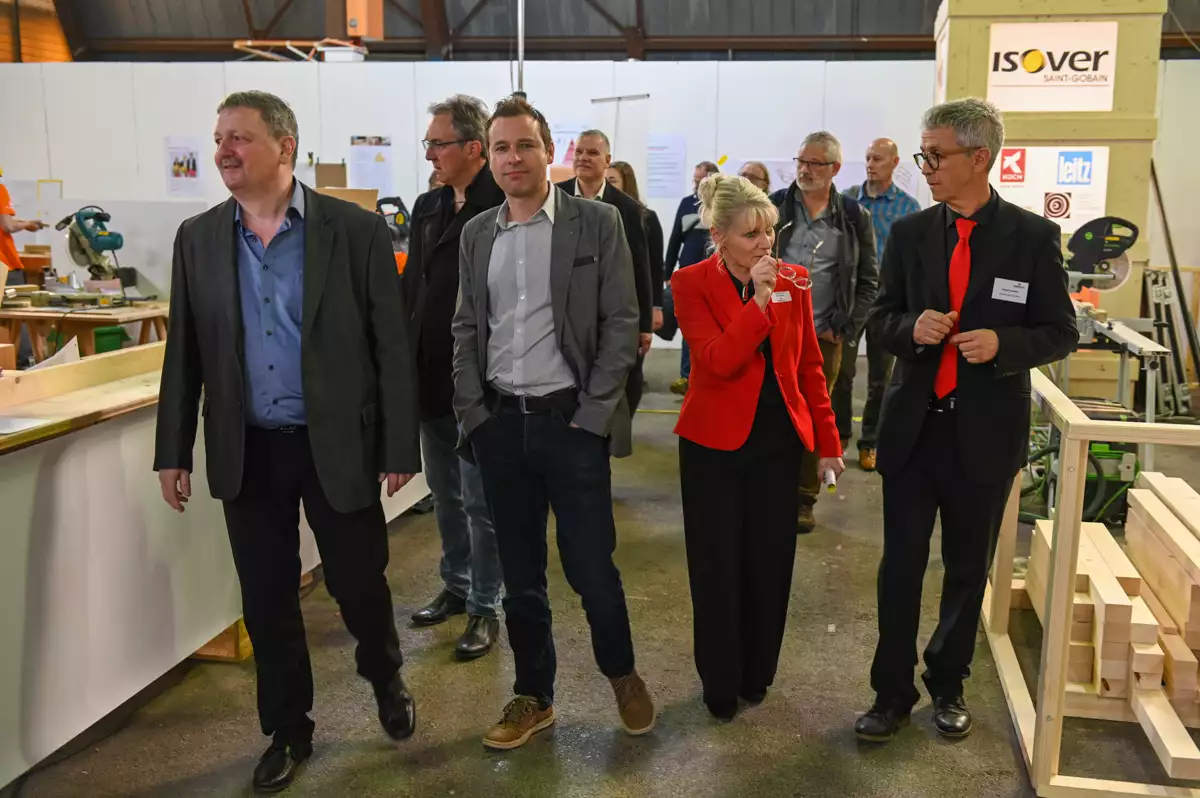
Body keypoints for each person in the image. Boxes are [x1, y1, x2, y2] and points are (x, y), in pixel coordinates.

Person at [154, 90, 420, 793]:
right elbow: (186, 354)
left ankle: (384, 670)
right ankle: (288, 729)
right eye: (219, 137)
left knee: (358, 582)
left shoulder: (354, 231)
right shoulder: (198, 239)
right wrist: (172, 450)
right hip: (248, 448)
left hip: (337, 442)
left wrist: (400, 448)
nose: (223, 150)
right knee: (267, 599)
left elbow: (390, 346)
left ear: (285, 146)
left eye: (239, 137)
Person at [854, 98, 1076, 743]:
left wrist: (1006, 344)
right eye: (923, 154)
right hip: (914, 429)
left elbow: (1061, 330)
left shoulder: (1032, 238)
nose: (925, 166)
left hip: (984, 433)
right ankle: (890, 693)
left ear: (980, 158)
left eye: (935, 155)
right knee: (899, 567)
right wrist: (911, 328)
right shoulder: (910, 234)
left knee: (966, 567)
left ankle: (948, 682)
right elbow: (879, 318)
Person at [452, 95, 655, 751]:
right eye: (502, 147)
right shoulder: (478, 233)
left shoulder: (597, 223)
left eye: (525, 145)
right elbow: (466, 327)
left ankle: (620, 672)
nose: (513, 158)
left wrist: (592, 417)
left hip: (570, 424)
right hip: (500, 426)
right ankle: (534, 696)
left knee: (592, 567)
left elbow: (622, 322)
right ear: (490, 157)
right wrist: (474, 414)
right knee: (520, 578)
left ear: (549, 153)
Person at [673, 173, 843, 720]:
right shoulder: (690, 283)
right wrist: (761, 302)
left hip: (777, 442)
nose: (765, 243)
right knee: (716, 565)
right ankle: (720, 680)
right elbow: (718, 361)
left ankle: (756, 673)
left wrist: (828, 441)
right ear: (719, 236)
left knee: (770, 562)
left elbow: (810, 366)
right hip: (712, 445)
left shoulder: (796, 279)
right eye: (751, 234)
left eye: (770, 231)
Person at [404, 94, 505, 659]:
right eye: (428, 144)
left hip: (479, 379)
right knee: (444, 493)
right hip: (429, 373)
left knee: (481, 503)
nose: (430, 155)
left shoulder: (500, 206)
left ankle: (487, 605)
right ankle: (457, 585)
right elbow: (413, 289)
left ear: (473, 147)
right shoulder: (428, 206)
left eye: (437, 144)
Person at [770, 131, 877, 533]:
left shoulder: (853, 217)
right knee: (770, 411)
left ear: (834, 168)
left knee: (815, 417)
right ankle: (768, 488)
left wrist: (846, 328)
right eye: (801, 161)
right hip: (772, 331)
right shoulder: (775, 206)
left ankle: (803, 497)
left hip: (822, 336)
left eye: (815, 163)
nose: (805, 169)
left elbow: (869, 281)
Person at [835, 138, 922, 472]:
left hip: (887, 302)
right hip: (851, 299)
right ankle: (839, 436)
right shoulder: (846, 201)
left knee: (880, 378)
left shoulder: (907, 207)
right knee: (841, 373)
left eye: (878, 159)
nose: (871, 164)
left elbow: (914, 259)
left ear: (895, 162)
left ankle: (870, 441)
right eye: (868, 158)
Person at [556, 130, 656, 416]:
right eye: (579, 152)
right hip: (565, 308)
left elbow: (641, 267)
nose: (583, 158)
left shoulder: (628, 209)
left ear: (607, 160)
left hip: (611, 308)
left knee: (617, 377)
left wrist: (644, 324)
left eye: (592, 153)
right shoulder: (553, 198)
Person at [606, 159, 664, 411]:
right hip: (608, 304)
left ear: (626, 184)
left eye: (612, 181)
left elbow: (653, 267)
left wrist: (656, 307)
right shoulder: (593, 216)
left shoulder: (645, 218)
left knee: (633, 366)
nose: (606, 186)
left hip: (634, 303)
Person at [665, 160, 721, 395]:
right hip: (688, 274)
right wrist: (667, 272)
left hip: (716, 275)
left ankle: (709, 374)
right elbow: (675, 239)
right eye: (695, 181)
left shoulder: (723, 204)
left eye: (701, 181)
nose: (696, 185)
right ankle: (686, 376)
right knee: (689, 325)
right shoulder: (687, 203)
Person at [0, 169, 45, 367]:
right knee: (22, 314)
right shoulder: (0, 190)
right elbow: (7, 226)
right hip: (5, 265)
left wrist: (25, 223)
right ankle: (27, 361)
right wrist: (26, 224)